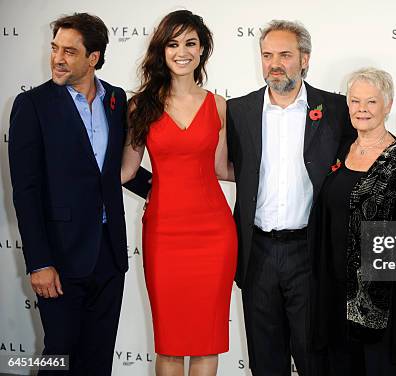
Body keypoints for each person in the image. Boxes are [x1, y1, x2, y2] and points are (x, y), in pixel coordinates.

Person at [225, 19, 396, 376]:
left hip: (312, 254)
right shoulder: (239, 110)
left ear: (304, 59)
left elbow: (373, 135)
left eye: (285, 54)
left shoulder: (335, 108)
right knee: (264, 359)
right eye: (267, 55)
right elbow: (228, 166)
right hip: (256, 253)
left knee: (316, 359)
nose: (275, 63)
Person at [8, 13, 148, 375]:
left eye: (69, 51)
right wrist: (39, 262)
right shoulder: (33, 105)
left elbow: (116, 171)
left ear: (93, 58)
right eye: (55, 48)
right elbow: (25, 190)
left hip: (109, 252)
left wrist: (172, 188)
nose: (57, 57)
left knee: (98, 359)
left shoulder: (115, 99)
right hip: (59, 255)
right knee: (59, 356)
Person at [120, 10, 236, 376]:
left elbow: (221, 168)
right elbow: (126, 170)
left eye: (190, 43)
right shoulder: (141, 105)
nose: (181, 51)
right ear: (162, 50)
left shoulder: (219, 105)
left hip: (214, 233)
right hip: (164, 234)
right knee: (169, 343)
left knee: (207, 341)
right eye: (173, 43)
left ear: (202, 50)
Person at [312, 68, 396, 375]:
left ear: (388, 105)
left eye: (371, 102)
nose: (361, 109)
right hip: (336, 291)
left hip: (384, 295)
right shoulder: (339, 150)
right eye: (355, 101)